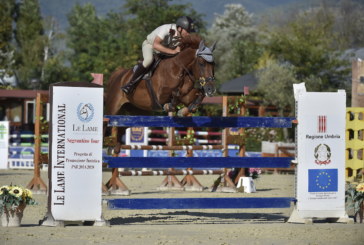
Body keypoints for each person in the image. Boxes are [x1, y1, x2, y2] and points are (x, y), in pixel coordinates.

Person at [122, 16, 196, 95]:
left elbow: (179, 50)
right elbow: (156, 45)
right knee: (148, 60)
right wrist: (173, 51)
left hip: (165, 52)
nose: (189, 34)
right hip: (150, 46)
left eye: (190, 32)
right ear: (180, 28)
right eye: (187, 31)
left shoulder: (183, 37)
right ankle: (130, 84)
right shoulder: (166, 29)